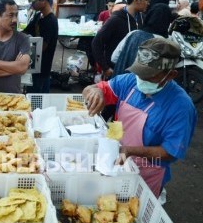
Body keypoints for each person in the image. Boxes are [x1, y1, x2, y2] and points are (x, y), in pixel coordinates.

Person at [83, 37, 196, 198]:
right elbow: (92, 89)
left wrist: (130, 151)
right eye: (139, 73)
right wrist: (95, 91)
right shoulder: (130, 82)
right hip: (114, 161)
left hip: (147, 174)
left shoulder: (181, 107)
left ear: (171, 75)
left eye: (149, 76)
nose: (141, 80)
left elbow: (170, 152)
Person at [92, 0, 149, 80]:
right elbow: (96, 43)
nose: (148, 3)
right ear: (136, 0)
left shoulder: (142, 18)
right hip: (116, 73)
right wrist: (105, 68)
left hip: (135, 74)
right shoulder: (116, 19)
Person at [112, 3, 172, 77]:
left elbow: (114, 58)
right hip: (142, 86)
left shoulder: (133, 34)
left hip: (119, 82)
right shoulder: (164, 43)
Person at [24, 0, 58, 93]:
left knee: (38, 100)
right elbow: (27, 30)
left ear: (43, 0)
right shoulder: (38, 15)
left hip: (42, 70)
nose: (31, 4)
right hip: (34, 67)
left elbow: (41, 48)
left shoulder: (50, 21)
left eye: (33, 2)